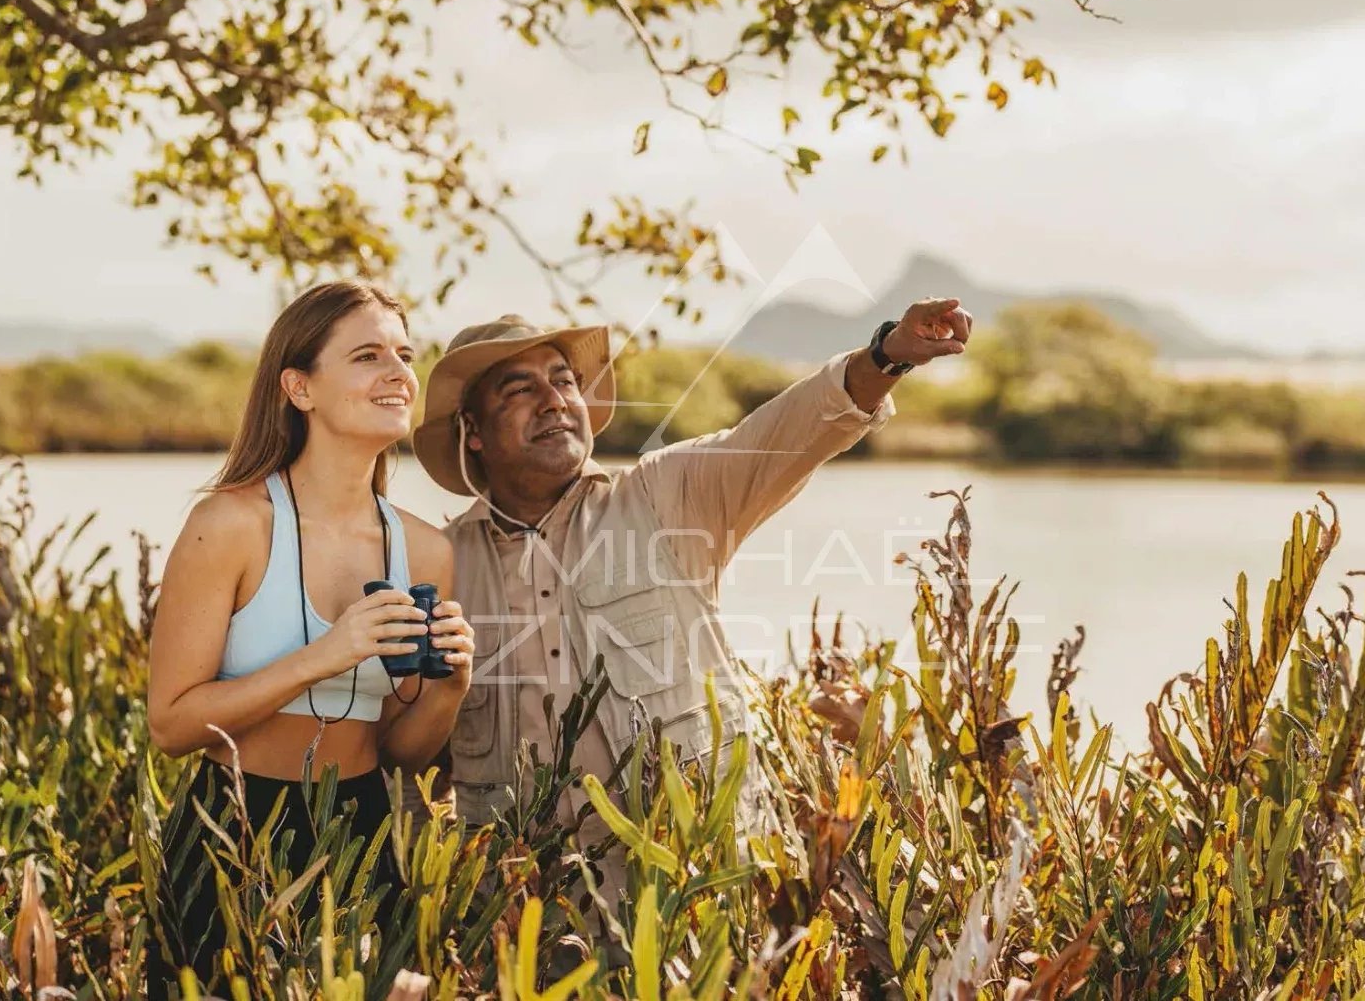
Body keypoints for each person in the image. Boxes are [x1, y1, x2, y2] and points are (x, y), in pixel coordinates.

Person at [409, 297, 971, 890]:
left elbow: (793, 431)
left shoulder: (668, 496)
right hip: (526, 919)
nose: (554, 399)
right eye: (520, 390)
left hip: (700, 899)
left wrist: (886, 356)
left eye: (564, 381)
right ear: (473, 432)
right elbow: (413, 765)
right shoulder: (437, 568)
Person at [143, 281, 475, 996]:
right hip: (232, 831)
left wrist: (448, 691)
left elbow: (398, 753)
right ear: (300, 388)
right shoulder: (229, 525)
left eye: (404, 354)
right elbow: (170, 726)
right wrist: (323, 656)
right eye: (367, 356)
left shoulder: (425, 550)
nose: (398, 372)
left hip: (362, 833)